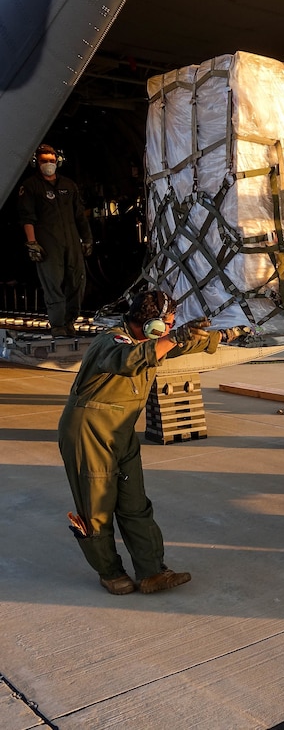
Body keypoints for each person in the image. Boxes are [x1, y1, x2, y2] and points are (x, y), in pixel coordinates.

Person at [58, 290, 219, 595]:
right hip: (89, 430)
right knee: (97, 507)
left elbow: (179, 345)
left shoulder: (150, 343)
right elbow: (127, 361)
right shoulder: (113, 342)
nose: (170, 331)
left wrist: (219, 336)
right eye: (167, 326)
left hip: (121, 430)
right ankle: (109, 572)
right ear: (151, 326)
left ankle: (151, 572)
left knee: (135, 504)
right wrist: (173, 338)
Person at [17, 144, 93, 337]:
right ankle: (58, 325)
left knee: (77, 282)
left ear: (57, 161)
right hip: (48, 244)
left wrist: (87, 239)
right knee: (53, 284)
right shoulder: (30, 186)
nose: (48, 164)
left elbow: (80, 216)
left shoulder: (68, 185)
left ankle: (70, 322)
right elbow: (27, 217)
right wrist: (32, 243)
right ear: (36, 162)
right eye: (44, 161)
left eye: (51, 160)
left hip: (72, 242)